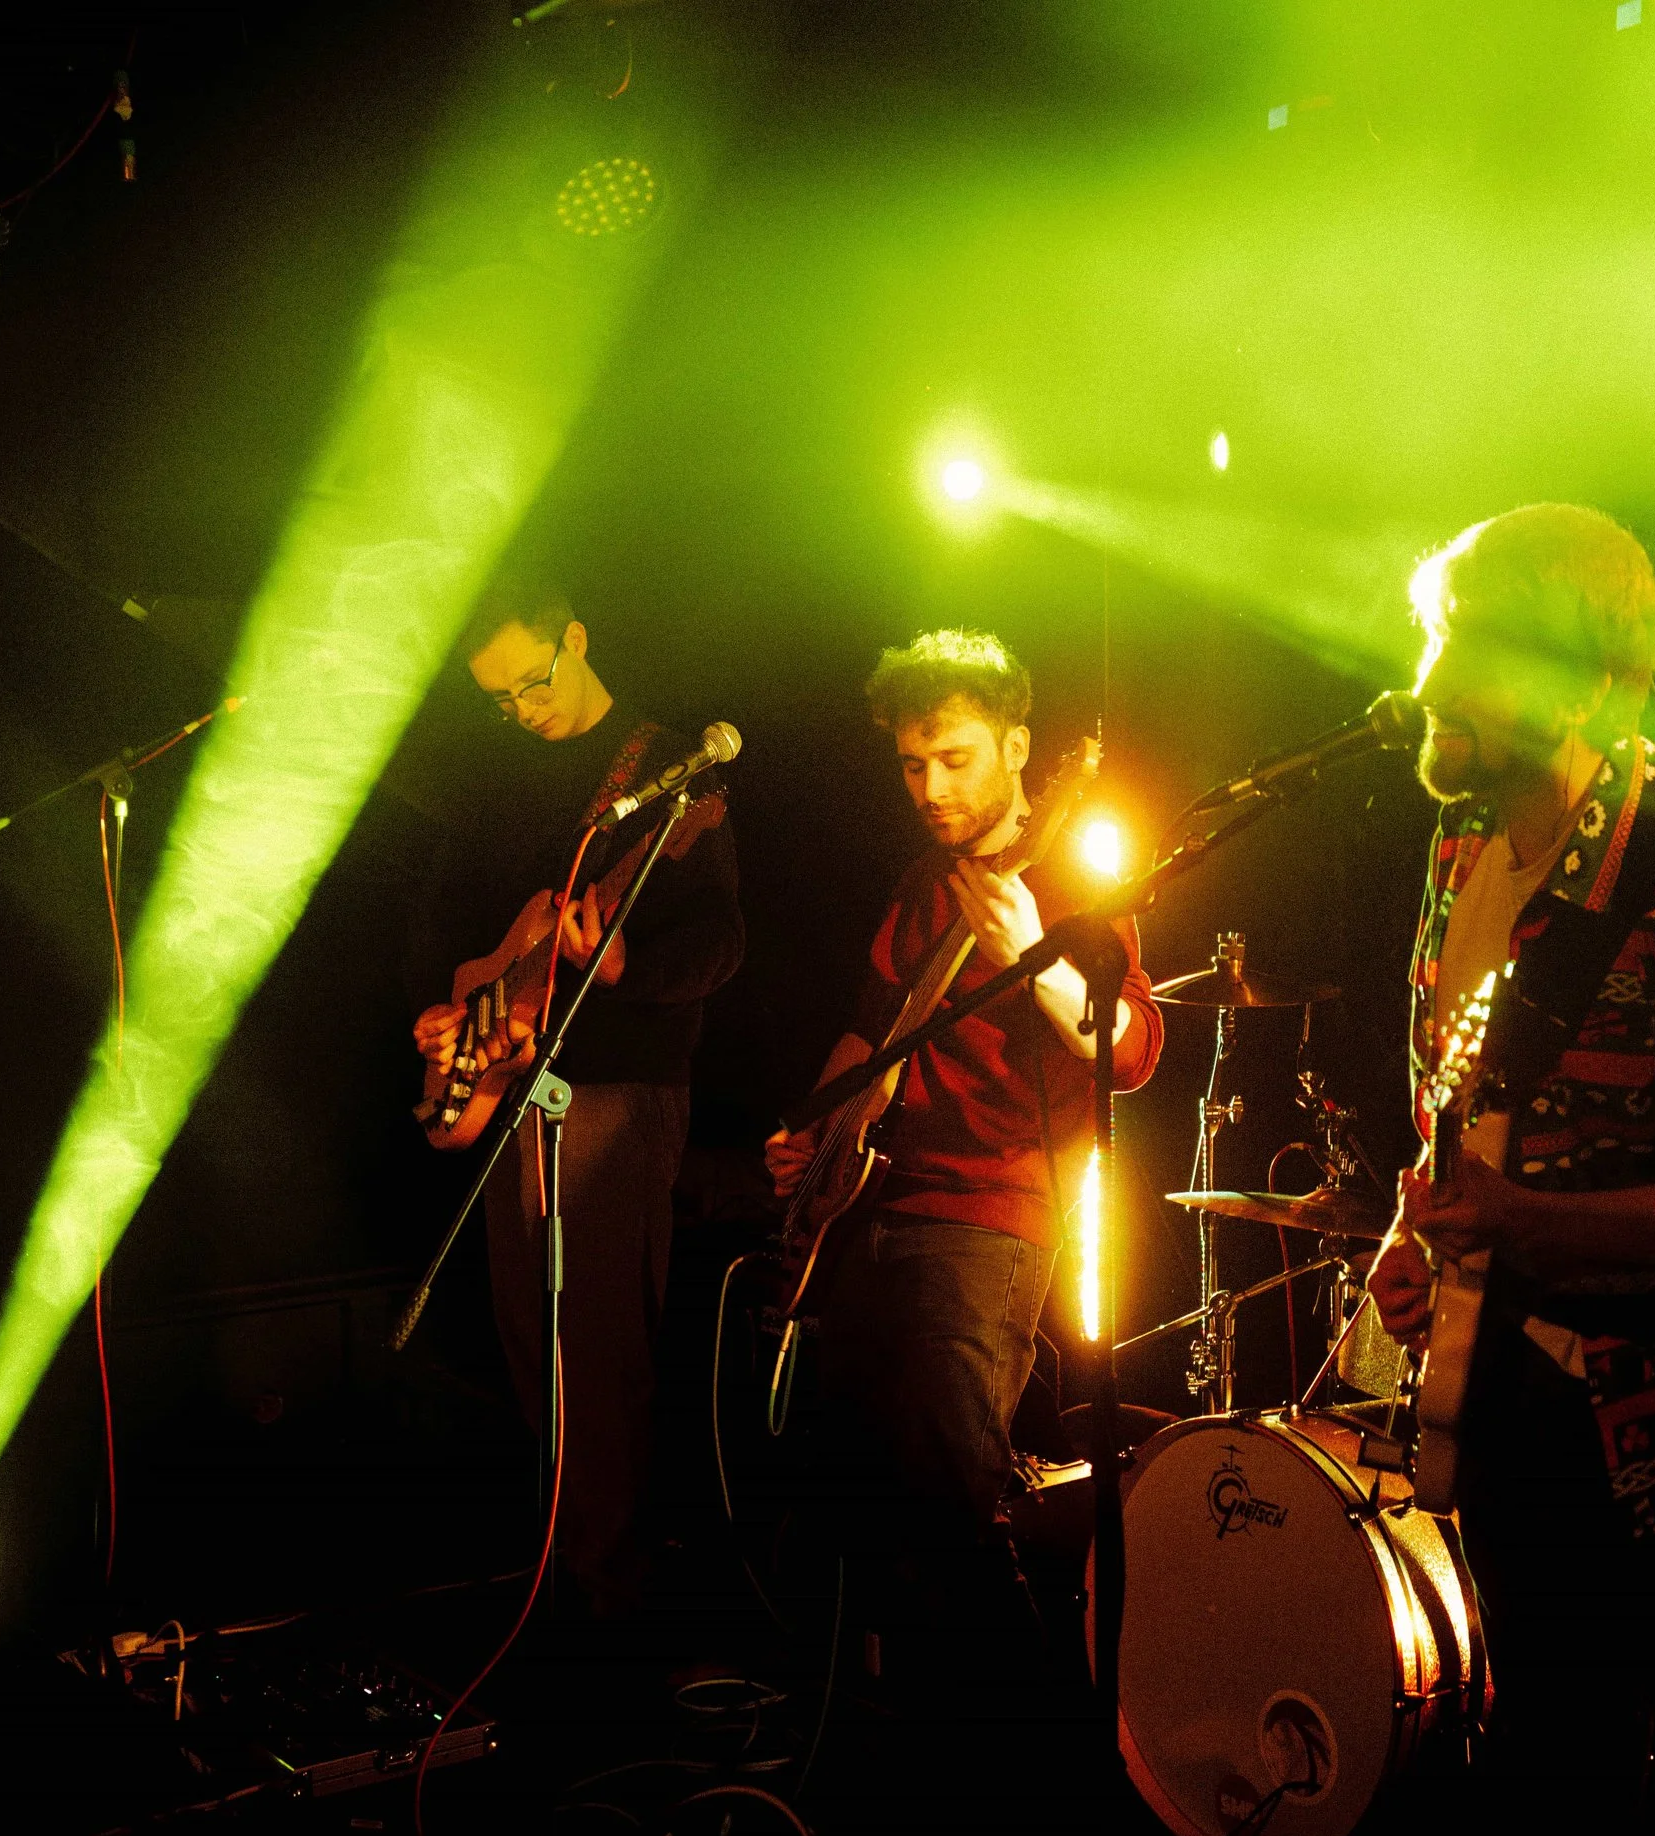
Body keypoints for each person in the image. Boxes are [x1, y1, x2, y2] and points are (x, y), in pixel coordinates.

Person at [1361, 504, 1655, 1766]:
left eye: (1475, 646)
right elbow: (1463, 1099)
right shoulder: (1461, 842)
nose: (1430, 681)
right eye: (1435, 636)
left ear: (1588, 682)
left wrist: (1519, 1220)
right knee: (1542, 1751)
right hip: (1501, 1387)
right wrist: (1416, 1233)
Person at [764, 629, 1163, 1669]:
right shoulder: (923, 880)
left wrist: (1030, 953)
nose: (931, 788)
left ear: (1017, 748)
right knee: (851, 1501)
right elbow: (871, 1027)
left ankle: (1021, 1734)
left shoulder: (1074, 874)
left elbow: (1129, 1050)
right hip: (873, 1210)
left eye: (955, 759)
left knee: (953, 1504)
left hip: (990, 1218)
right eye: (912, 765)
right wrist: (814, 1133)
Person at [411, 577, 743, 1619]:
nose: (524, 707)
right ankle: (560, 1568)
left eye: (533, 679)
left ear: (578, 637)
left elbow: (722, 943)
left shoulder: (671, 775)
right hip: (519, 1088)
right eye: (501, 697)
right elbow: (468, 932)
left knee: (596, 1346)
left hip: (616, 1093)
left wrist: (625, 962)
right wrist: (452, 1014)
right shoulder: (503, 780)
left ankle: (610, 1591)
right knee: (529, 1340)